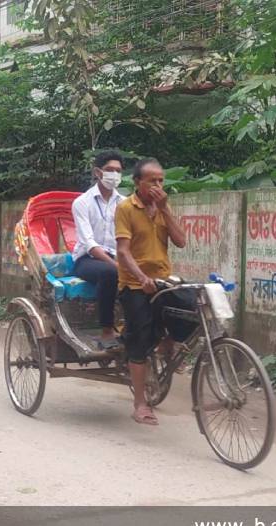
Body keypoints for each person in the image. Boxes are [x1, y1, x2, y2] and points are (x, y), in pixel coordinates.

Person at [115, 158, 197, 426]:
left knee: (191, 307)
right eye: (153, 181)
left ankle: (167, 343)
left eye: (161, 180)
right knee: (139, 337)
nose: (158, 185)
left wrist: (166, 210)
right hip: (135, 283)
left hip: (163, 280)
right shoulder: (126, 208)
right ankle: (140, 403)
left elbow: (181, 242)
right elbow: (123, 251)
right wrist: (141, 276)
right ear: (138, 183)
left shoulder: (163, 207)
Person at [72, 150, 126, 349]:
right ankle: (106, 331)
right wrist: (118, 265)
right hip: (87, 260)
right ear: (97, 172)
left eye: (118, 171)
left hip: (117, 256)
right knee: (111, 272)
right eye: (109, 170)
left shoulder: (124, 203)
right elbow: (89, 244)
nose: (114, 174)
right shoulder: (82, 203)